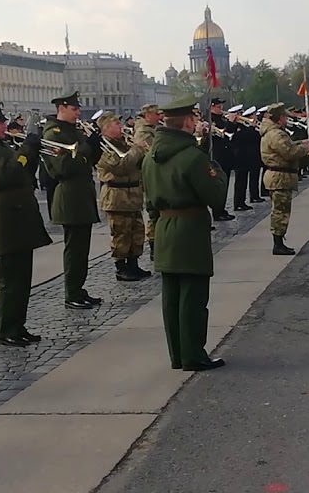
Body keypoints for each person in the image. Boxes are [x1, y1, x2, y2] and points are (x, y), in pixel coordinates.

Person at [141, 95, 228, 371]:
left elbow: (149, 201)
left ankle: (177, 354)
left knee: (172, 296)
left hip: (164, 227)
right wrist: (217, 171)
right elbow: (216, 196)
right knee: (193, 296)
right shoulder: (192, 157)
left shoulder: (150, 158)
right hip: (189, 229)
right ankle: (193, 354)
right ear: (188, 122)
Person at [0, 102, 52, 346]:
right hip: (6, 215)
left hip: (19, 212)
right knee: (11, 278)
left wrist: (31, 153)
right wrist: (26, 150)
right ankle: (6, 329)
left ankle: (18, 324)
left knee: (23, 277)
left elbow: (23, 172)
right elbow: (6, 174)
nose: (4, 124)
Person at [42, 91, 101, 310]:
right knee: (74, 249)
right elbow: (62, 167)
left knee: (82, 249)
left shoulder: (71, 131)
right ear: (62, 108)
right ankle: (72, 293)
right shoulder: (54, 133)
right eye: (74, 109)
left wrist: (94, 146)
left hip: (81, 195)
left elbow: (86, 162)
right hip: (70, 196)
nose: (78, 113)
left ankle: (79, 288)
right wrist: (86, 147)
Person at [95, 113, 151, 281]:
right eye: (116, 123)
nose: (121, 126)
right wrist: (137, 149)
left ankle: (134, 264)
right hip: (116, 196)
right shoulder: (104, 146)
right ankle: (121, 268)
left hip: (133, 194)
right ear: (106, 128)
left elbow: (138, 163)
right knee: (121, 233)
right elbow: (120, 167)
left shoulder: (125, 143)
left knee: (137, 232)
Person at [259, 103, 309, 255]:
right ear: (280, 118)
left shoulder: (274, 133)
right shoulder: (276, 134)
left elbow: (287, 147)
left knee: (281, 211)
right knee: (280, 212)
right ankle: (278, 243)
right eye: (284, 117)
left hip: (279, 176)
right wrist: (306, 148)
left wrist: (299, 143)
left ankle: (279, 240)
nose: (286, 120)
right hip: (279, 177)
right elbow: (289, 152)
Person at [134, 103, 162, 258]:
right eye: (156, 114)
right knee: (154, 212)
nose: (159, 117)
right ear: (148, 115)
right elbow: (152, 152)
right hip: (150, 175)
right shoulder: (144, 131)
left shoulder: (154, 128)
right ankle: (154, 246)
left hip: (156, 174)